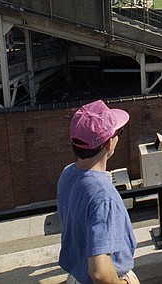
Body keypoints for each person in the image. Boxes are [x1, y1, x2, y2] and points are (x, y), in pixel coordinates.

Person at [57, 100, 138, 284]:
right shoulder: (103, 197)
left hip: (76, 278)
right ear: (109, 143)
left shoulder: (67, 174)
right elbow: (100, 272)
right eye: (118, 133)